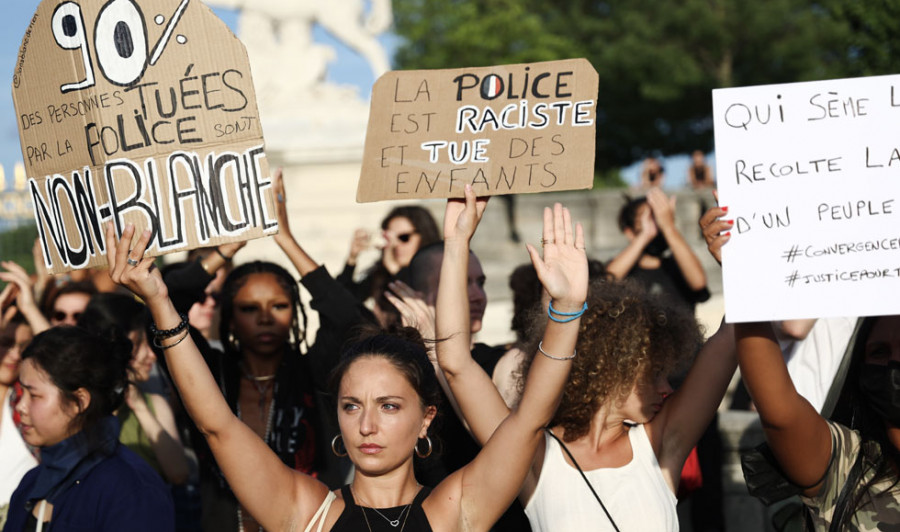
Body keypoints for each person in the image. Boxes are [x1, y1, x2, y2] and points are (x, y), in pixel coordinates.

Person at [104, 183, 587, 532]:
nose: (367, 425)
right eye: (351, 405)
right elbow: (218, 425)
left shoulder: (455, 510)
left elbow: (527, 421)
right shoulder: (306, 513)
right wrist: (160, 302)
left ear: (427, 419)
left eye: (390, 406)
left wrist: (563, 308)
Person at [437, 201, 736, 531]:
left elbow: (730, 338)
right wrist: (455, 243)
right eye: (653, 374)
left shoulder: (660, 443)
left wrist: (735, 266)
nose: (667, 388)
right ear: (610, 370)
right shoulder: (531, 454)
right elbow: (456, 365)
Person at [160, 170, 369, 531]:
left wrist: (284, 238)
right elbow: (164, 305)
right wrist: (227, 248)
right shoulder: (210, 373)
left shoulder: (316, 373)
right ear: (229, 317)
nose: (264, 318)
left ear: (295, 311)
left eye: (278, 306)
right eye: (248, 308)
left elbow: (346, 316)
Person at [701, 207, 900, 528]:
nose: (893, 363)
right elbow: (779, 413)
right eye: (878, 352)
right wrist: (743, 279)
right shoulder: (845, 465)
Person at [4, 326, 174, 531]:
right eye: (22, 392)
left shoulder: (130, 488)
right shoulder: (32, 483)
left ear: (79, 401)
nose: (21, 406)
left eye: (34, 395)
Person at [76, 293, 189, 486]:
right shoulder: (78, 404)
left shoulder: (153, 404)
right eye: (136, 345)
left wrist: (139, 407)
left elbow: (179, 473)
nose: (151, 355)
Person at [607, 189, 710, 312]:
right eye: (647, 219)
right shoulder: (624, 270)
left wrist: (668, 226)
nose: (657, 224)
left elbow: (699, 283)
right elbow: (606, 282)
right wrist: (646, 234)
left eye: (658, 218)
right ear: (629, 232)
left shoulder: (678, 265)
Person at [338, 206, 440, 307]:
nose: (396, 245)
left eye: (404, 237)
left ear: (424, 236)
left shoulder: (438, 275)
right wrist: (352, 258)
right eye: (389, 238)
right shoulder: (382, 274)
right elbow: (341, 302)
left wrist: (393, 268)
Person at [0, 309, 36, 529]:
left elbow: (66, 370)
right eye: (5, 342)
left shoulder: (31, 404)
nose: (14, 354)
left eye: (23, 347)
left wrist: (31, 304)